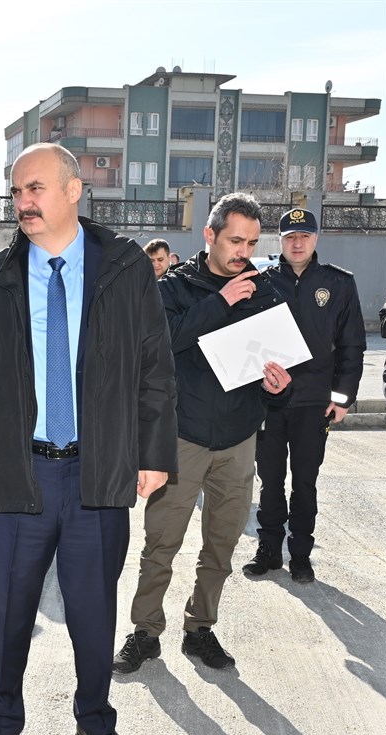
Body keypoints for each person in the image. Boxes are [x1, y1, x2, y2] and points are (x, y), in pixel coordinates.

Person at [0, 144, 178, 735]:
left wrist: (155, 453)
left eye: (37, 187)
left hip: (100, 473)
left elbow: (156, 367)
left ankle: (95, 720)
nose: (24, 200)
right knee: (10, 612)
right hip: (19, 475)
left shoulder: (125, 268)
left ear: (75, 190)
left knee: (92, 609)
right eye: (17, 189)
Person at [114, 192, 293, 677]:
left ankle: (200, 629)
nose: (244, 251)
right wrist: (218, 303)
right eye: (236, 240)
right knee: (161, 543)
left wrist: (277, 382)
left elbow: (272, 359)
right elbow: (159, 346)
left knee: (222, 543)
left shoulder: (265, 289)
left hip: (238, 440)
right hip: (182, 439)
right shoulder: (172, 289)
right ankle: (145, 632)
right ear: (209, 235)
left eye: (253, 242)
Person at [245, 209, 365, 584]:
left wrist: (342, 399)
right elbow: (246, 344)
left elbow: (352, 346)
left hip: (314, 402)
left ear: (316, 239)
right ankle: (268, 550)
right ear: (278, 240)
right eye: (290, 237)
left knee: (305, 481)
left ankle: (300, 554)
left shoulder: (339, 284)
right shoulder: (260, 281)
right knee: (270, 479)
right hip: (270, 401)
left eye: (305, 236)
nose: (297, 243)